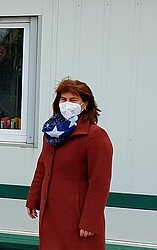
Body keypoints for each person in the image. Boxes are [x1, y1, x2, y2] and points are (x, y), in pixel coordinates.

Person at [26, 78, 113, 249]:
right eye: (63, 99)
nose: (67, 104)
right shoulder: (51, 133)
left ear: (85, 104)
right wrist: (33, 198)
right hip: (51, 213)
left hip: (76, 217)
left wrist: (90, 220)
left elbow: (100, 183)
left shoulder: (95, 136)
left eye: (73, 100)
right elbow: (42, 167)